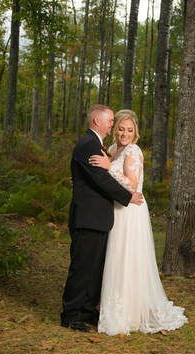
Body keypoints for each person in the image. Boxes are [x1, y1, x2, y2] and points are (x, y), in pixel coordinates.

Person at [89, 109, 187, 336]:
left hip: (130, 211)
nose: (124, 134)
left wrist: (109, 167)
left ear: (136, 133)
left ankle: (130, 313)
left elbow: (132, 186)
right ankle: (108, 306)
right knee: (114, 257)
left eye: (129, 130)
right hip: (115, 209)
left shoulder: (134, 151)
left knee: (127, 258)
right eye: (121, 129)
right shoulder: (113, 149)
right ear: (114, 130)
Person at [61, 105, 144, 332]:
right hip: (88, 216)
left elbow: (102, 177)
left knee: (94, 267)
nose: (112, 126)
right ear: (97, 121)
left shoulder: (99, 145)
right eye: (110, 122)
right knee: (82, 267)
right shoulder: (89, 145)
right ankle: (70, 315)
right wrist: (128, 197)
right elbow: (101, 179)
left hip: (97, 217)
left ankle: (87, 310)